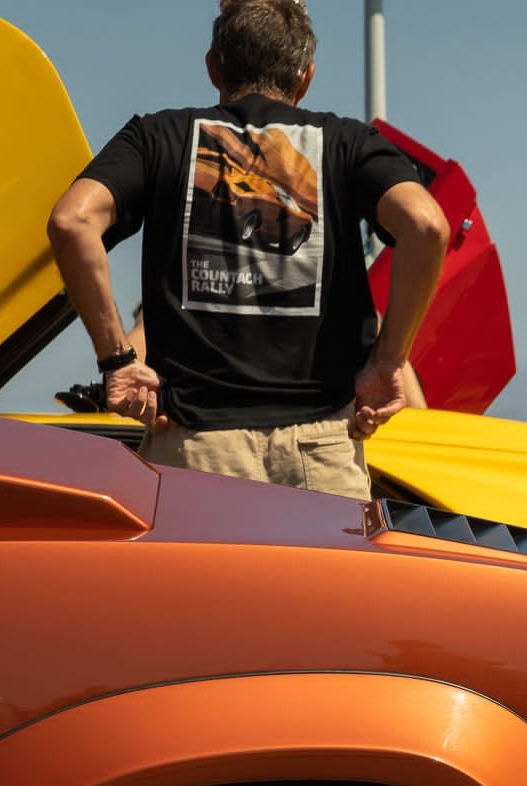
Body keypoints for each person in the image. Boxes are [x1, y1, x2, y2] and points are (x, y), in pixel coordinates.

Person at [45, 0, 448, 497]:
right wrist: (388, 362)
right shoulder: (347, 143)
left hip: (193, 455)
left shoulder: (157, 137)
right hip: (321, 458)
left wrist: (117, 361)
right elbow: (427, 226)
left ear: (213, 67)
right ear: (306, 77)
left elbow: (72, 220)